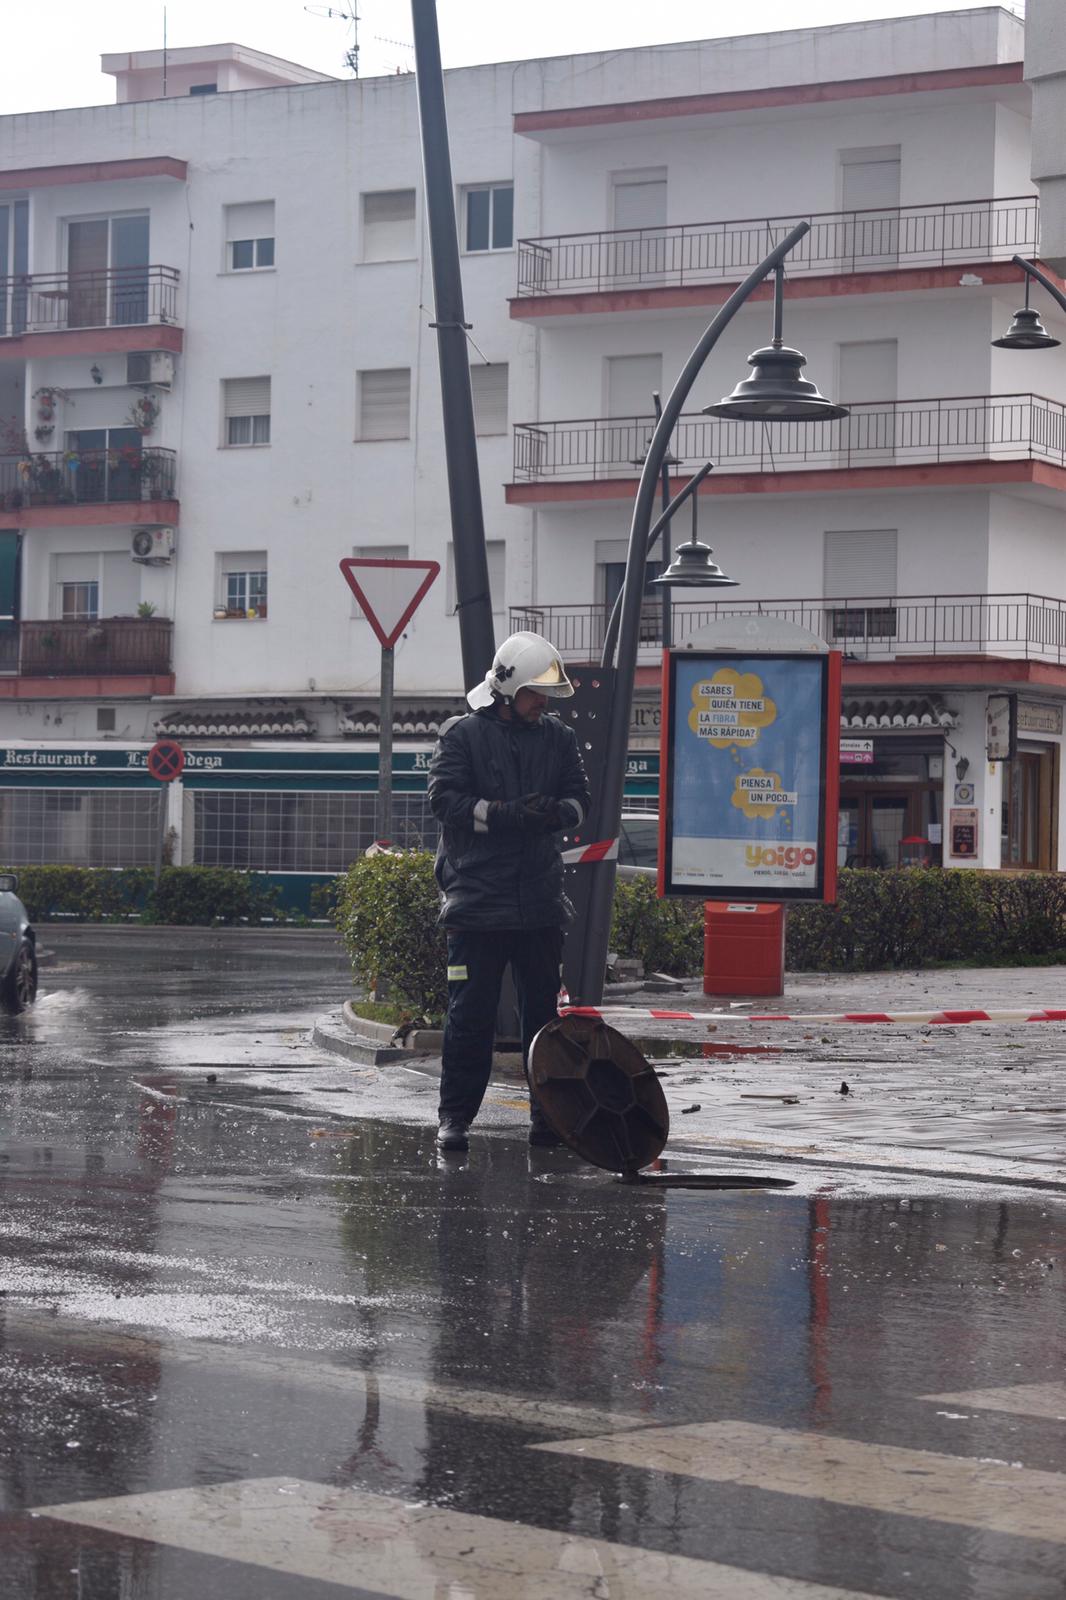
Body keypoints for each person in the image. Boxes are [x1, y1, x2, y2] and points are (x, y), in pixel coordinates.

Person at [427, 631, 591, 1152]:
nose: (543, 703)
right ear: (507, 688)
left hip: (539, 903)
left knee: (543, 1020)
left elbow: (580, 797)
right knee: (469, 1017)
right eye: (534, 694)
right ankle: (454, 1118)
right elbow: (446, 801)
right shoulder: (461, 735)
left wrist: (556, 814)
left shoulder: (558, 738)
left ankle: (549, 1121)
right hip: (476, 903)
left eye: (546, 696)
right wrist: (503, 816)